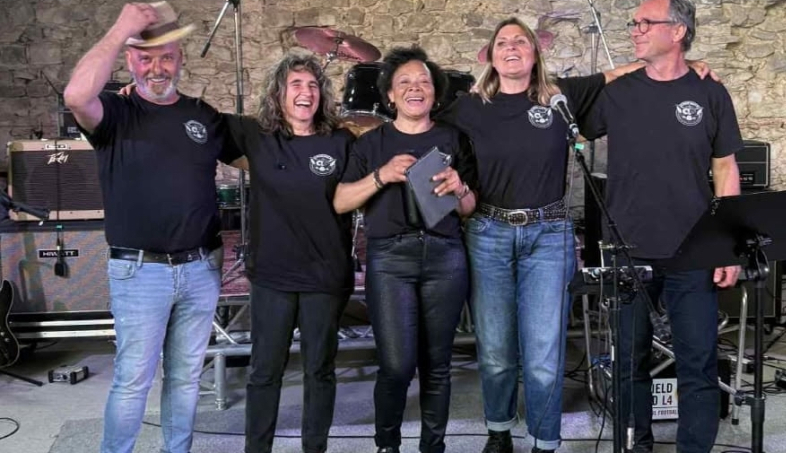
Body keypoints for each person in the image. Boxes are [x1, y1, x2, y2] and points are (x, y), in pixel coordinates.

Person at [436, 16, 716, 453]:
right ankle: (499, 431)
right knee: (495, 351)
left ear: (535, 53)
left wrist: (685, 65)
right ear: (490, 55)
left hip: (549, 234)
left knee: (544, 352)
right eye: (502, 42)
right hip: (489, 232)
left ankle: (544, 441)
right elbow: (422, 127)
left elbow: (618, 73)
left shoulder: (559, 96)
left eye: (521, 41)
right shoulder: (469, 106)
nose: (511, 48)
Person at [62, 2, 245, 453]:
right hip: (139, 272)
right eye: (145, 58)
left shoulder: (203, 115)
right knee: (133, 381)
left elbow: (257, 161)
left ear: (180, 59)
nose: (157, 68)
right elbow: (75, 96)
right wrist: (122, 28)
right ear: (129, 60)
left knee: (185, 379)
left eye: (166, 57)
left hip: (200, 269)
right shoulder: (114, 112)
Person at [581, 1, 741, 452]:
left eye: (645, 22)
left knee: (698, 362)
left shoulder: (710, 92)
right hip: (627, 250)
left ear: (678, 31)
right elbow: (567, 119)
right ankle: (638, 445)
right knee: (628, 362)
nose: (635, 30)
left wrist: (726, 245)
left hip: (693, 249)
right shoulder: (617, 92)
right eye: (634, 22)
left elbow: (726, 168)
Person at [333, 46, 478, 453]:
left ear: (435, 92)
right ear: (390, 95)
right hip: (390, 260)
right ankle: (387, 445)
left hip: (446, 256)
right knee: (396, 365)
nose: (416, 88)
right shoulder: (370, 143)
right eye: (405, 83)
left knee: (438, 366)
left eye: (423, 82)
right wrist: (381, 176)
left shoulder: (453, 139)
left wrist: (459, 188)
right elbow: (341, 201)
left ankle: (433, 446)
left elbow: (469, 208)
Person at [224, 53, 356, 453]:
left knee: (320, 369)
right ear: (278, 94)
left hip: (325, 275)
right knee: (265, 370)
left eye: (313, 85)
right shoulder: (256, 135)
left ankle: (315, 448)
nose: (306, 92)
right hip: (272, 275)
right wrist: (141, 98)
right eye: (296, 84)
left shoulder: (340, 141)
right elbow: (195, 120)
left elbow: (355, 193)